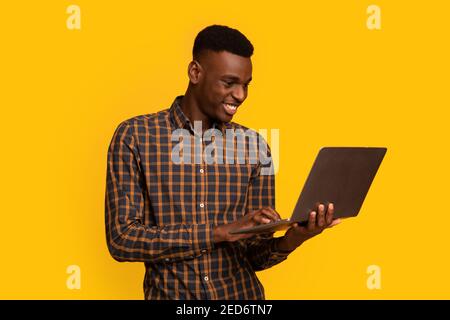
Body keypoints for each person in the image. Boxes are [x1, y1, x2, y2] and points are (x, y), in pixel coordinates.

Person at [105, 25, 341, 300]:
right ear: (195, 72)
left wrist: (297, 236)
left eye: (246, 85)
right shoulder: (135, 137)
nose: (240, 95)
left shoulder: (254, 146)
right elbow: (122, 239)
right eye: (229, 83)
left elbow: (256, 256)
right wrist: (217, 233)